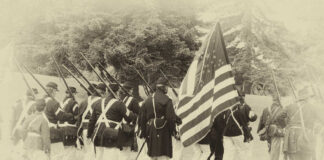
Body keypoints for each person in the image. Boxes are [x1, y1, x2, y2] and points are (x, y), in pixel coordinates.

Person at [87, 83, 136, 160]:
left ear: (107, 91)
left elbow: (92, 121)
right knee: (111, 156)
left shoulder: (98, 102)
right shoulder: (119, 104)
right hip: (111, 133)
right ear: (117, 92)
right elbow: (130, 118)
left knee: (98, 157)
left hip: (98, 132)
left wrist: (89, 135)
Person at [139, 77, 182, 160]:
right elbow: (170, 118)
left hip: (150, 130)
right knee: (163, 156)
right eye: (166, 87)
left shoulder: (147, 100)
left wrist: (144, 133)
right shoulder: (167, 100)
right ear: (163, 87)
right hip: (163, 130)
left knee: (153, 156)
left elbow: (142, 119)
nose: (167, 89)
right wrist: (173, 131)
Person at [283, 86, 324, 160]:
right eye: (310, 97)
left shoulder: (290, 106)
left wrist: (288, 124)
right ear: (307, 98)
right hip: (306, 138)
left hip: (291, 138)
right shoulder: (313, 107)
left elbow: (279, 117)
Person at [43, 82, 74, 160]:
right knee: (58, 155)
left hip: (42, 130)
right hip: (52, 131)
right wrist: (72, 115)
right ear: (53, 91)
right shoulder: (53, 103)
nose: (55, 93)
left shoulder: (40, 101)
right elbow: (61, 116)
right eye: (55, 91)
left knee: (46, 155)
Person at [257, 92, 286, 160]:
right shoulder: (282, 110)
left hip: (268, 132)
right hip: (276, 133)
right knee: (275, 154)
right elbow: (284, 124)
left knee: (271, 150)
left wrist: (261, 130)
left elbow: (261, 122)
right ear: (279, 101)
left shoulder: (266, 109)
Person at [77, 83, 101, 159]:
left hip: (84, 129)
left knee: (88, 152)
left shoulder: (83, 102)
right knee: (94, 153)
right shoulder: (100, 101)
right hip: (95, 130)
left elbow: (79, 118)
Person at [118, 81, 141, 159]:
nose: (132, 91)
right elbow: (138, 114)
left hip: (116, 127)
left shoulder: (117, 98)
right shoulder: (133, 100)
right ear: (129, 90)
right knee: (126, 152)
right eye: (131, 89)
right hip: (127, 128)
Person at [58, 86, 79, 160]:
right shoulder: (74, 103)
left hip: (60, 128)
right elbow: (76, 116)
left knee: (63, 150)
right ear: (73, 94)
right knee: (70, 151)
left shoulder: (60, 103)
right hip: (70, 129)